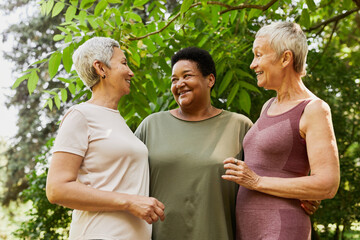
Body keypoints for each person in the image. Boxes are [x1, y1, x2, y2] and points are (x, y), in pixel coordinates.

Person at [222, 21, 340, 240]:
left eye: (258, 55)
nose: (252, 64)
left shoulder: (314, 109)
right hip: (247, 229)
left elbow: (327, 184)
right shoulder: (268, 106)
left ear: (285, 58)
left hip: (281, 228)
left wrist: (256, 181)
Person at [45, 37, 165, 240]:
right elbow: (57, 189)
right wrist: (129, 202)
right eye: (124, 63)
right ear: (101, 68)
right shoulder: (80, 115)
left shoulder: (119, 123)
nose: (131, 72)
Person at [135, 47, 253, 239]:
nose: (179, 84)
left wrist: (299, 196)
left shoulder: (239, 126)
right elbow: (123, 176)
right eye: (174, 79)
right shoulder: (151, 125)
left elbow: (262, 179)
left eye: (187, 76)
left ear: (210, 80)